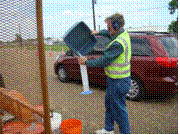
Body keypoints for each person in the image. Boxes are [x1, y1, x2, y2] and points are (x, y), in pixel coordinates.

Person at [78, 13, 132, 134]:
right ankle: (109, 129)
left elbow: (104, 61)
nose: (107, 29)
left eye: (109, 27)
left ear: (116, 26)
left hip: (119, 81)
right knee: (109, 105)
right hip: (114, 79)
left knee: (119, 111)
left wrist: (86, 61)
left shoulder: (118, 43)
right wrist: (98, 32)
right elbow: (108, 33)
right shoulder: (120, 33)